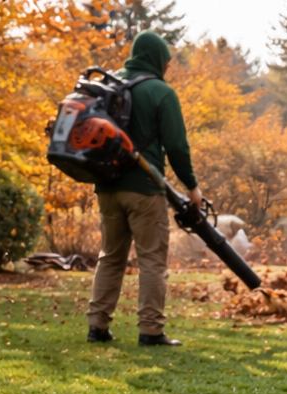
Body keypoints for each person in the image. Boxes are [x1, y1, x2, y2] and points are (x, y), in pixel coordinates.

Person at [86, 30, 202, 347]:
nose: (167, 69)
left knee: (110, 256)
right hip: (144, 189)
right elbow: (177, 146)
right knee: (151, 259)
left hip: (107, 186)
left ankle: (97, 327)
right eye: (166, 63)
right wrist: (192, 186)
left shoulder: (110, 84)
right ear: (157, 60)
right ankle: (150, 331)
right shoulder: (161, 92)